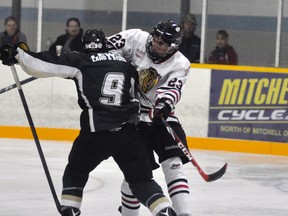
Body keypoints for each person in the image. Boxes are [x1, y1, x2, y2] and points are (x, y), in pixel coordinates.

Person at [0, 29, 177, 216]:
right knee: (142, 182)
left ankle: (71, 209)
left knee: (75, 172)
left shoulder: (80, 60)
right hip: (129, 135)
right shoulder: (127, 65)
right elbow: (142, 95)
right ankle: (164, 210)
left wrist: (17, 54)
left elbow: (42, 64)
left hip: (95, 134)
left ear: (85, 45)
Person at [108, 20, 192, 216]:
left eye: (163, 44)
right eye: (156, 39)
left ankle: (184, 214)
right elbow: (104, 48)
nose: (156, 45)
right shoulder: (135, 37)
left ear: (174, 46)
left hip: (160, 117)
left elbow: (172, 89)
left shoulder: (180, 63)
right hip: (132, 119)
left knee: (174, 165)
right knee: (135, 175)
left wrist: (163, 104)